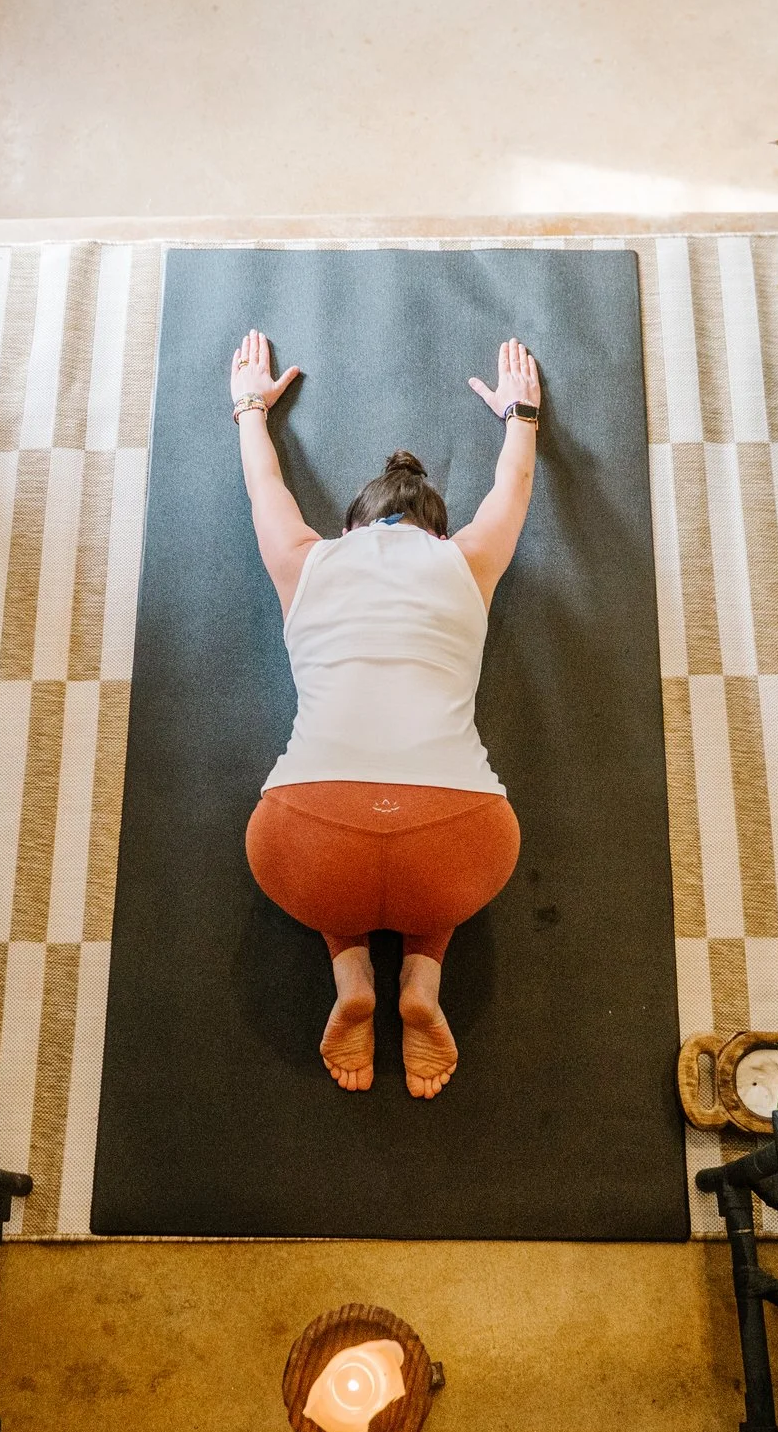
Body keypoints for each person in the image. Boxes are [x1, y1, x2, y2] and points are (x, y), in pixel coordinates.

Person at [228, 328, 542, 1098]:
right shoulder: (467, 558)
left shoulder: (306, 558)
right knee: (433, 858)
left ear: (349, 530)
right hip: (460, 844)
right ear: (437, 531)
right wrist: (521, 414)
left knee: (340, 863)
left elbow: (264, 484)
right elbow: (512, 492)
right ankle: (423, 981)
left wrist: (250, 407)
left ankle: (351, 972)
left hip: (303, 840)